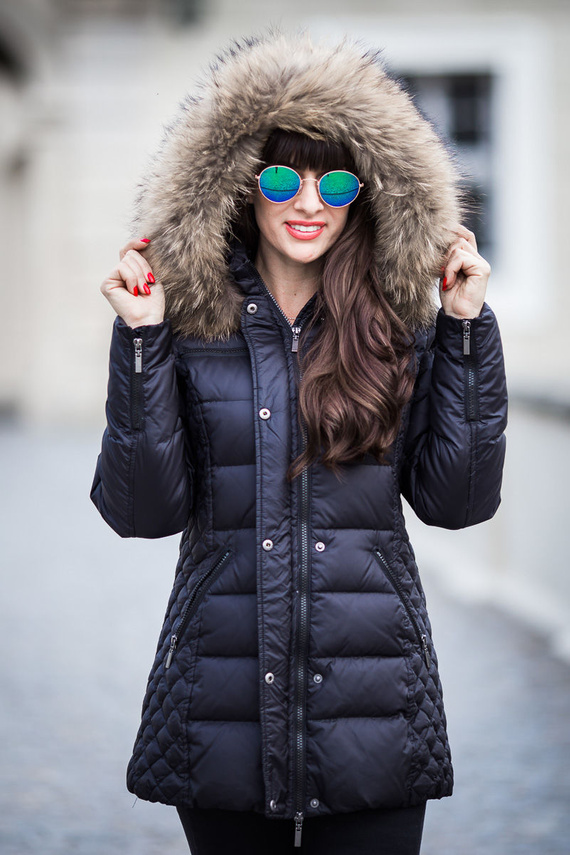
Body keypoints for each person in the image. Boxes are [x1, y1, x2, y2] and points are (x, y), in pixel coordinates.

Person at [91, 31, 507, 855]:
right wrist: (141, 340)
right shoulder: (183, 329)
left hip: (375, 704)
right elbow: (142, 511)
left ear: (368, 194)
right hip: (220, 701)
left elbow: (457, 502)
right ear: (244, 186)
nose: (308, 200)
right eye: (282, 175)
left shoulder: (403, 330)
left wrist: (464, 332)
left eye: (337, 179)